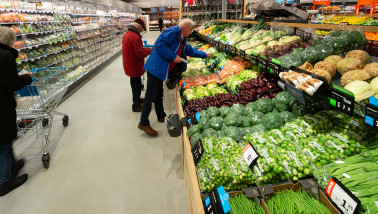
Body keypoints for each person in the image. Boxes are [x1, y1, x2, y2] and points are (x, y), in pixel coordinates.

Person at [138, 18, 212, 136]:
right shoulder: (173, 32)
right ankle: (143, 123)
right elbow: (159, 45)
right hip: (155, 68)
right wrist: (173, 56)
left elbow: (189, 50)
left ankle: (161, 115)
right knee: (151, 96)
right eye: (191, 29)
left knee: (158, 94)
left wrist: (205, 54)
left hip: (160, 70)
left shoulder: (181, 38)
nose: (192, 32)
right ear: (185, 28)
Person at [0, 26, 32, 196]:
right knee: (3, 143)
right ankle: (4, 181)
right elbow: (11, 83)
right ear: (10, 41)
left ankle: (13, 165)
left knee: (5, 139)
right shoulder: (6, 56)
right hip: (2, 104)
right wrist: (27, 77)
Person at [122, 18, 152, 112]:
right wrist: (149, 50)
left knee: (135, 84)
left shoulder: (128, 34)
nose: (142, 31)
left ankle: (137, 100)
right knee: (136, 86)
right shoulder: (134, 37)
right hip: (134, 65)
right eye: (142, 29)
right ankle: (136, 106)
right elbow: (140, 54)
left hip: (130, 64)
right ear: (138, 27)